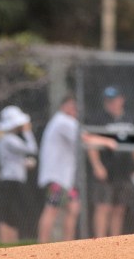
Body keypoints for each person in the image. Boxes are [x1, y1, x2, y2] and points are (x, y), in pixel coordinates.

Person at [37, 94, 117, 243]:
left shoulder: (64, 122)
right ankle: (42, 245)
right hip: (57, 176)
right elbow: (85, 138)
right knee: (51, 209)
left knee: (74, 207)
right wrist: (107, 141)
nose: (76, 111)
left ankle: (68, 246)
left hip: (65, 178)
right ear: (65, 106)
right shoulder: (63, 121)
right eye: (73, 107)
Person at [87, 86, 134, 237]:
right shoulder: (99, 119)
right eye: (108, 101)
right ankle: (100, 243)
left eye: (114, 100)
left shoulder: (130, 119)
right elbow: (90, 142)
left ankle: (115, 243)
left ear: (122, 99)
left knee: (119, 208)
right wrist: (97, 165)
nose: (111, 104)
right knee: (103, 207)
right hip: (106, 170)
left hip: (125, 171)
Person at [0, 105, 37, 244]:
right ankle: (7, 244)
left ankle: (11, 245)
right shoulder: (9, 139)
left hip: (11, 178)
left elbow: (11, 159)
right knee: (9, 215)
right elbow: (32, 148)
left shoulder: (5, 138)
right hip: (11, 180)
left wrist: (23, 163)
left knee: (11, 215)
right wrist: (28, 132)